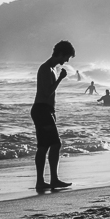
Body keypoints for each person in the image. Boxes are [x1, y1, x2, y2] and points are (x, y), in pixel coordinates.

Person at [31, 40, 75, 191]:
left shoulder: (51, 69)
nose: (66, 61)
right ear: (60, 54)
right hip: (41, 110)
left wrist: (52, 112)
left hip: (45, 110)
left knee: (43, 146)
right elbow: (46, 92)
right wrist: (60, 79)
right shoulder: (45, 69)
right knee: (55, 144)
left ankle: (42, 181)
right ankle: (52, 180)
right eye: (66, 57)